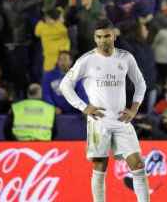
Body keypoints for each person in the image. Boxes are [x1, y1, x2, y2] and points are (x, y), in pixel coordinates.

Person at [60, 18, 149, 202]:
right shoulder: (87, 60)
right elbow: (65, 86)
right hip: (99, 121)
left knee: (138, 164)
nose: (103, 40)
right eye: (99, 37)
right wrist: (84, 107)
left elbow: (140, 83)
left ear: (114, 35)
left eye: (106, 36)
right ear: (94, 38)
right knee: (100, 167)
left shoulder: (125, 57)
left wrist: (134, 109)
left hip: (121, 120)